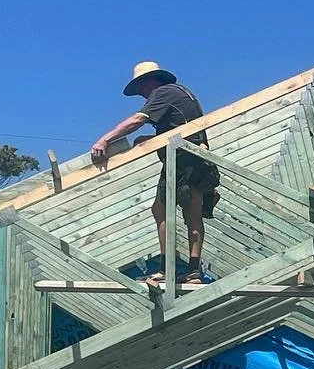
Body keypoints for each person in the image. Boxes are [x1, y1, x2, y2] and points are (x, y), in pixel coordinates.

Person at [90, 61, 221, 284]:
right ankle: (190, 270)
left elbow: (137, 120)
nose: (141, 94)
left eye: (140, 87)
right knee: (178, 211)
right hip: (190, 157)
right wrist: (151, 140)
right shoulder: (179, 93)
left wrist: (105, 140)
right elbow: (180, 129)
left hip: (185, 159)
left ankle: (171, 270)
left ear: (149, 81)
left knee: (182, 212)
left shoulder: (162, 92)